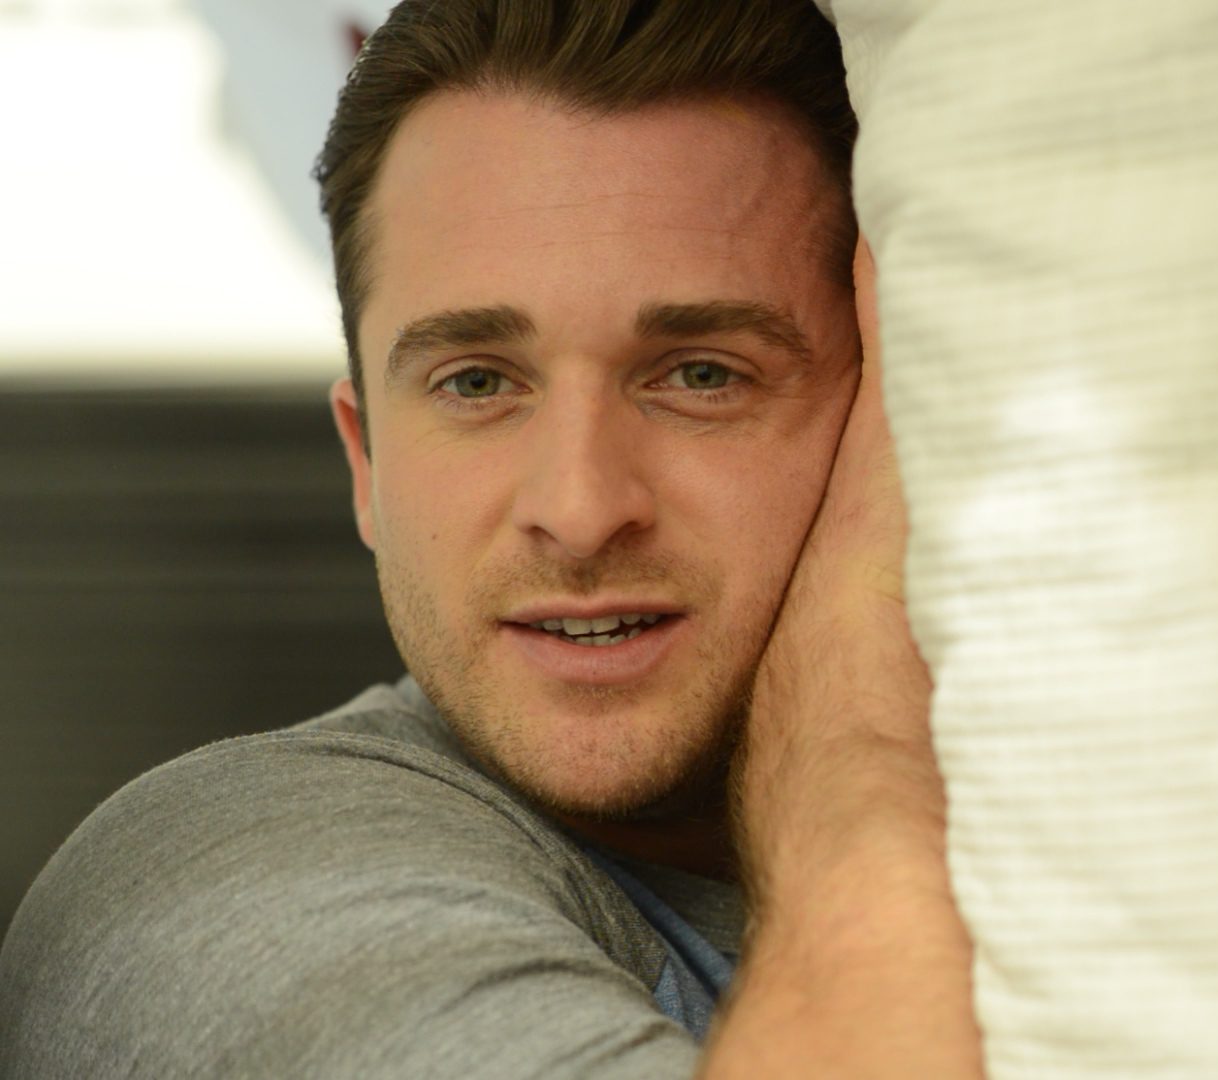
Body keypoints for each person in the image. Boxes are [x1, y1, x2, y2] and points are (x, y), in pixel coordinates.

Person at [0, 1, 980, 1076]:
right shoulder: (215, 890)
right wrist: (861, 702)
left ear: (887, 405)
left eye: (702, 375)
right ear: (366, 461)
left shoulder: (1090, 799)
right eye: (476, 384)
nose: (580, 507)